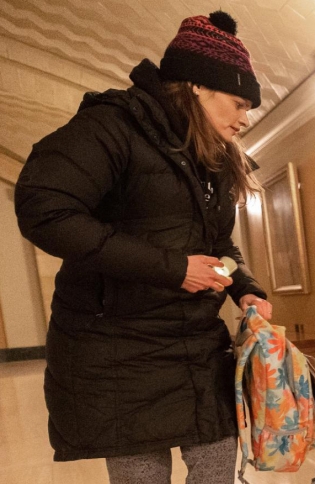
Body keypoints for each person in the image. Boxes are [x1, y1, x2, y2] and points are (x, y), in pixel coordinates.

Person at [14, 11, 274, 484]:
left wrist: (245, 289)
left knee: (218, 470)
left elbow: (216, 242)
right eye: (238, 103)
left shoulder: (210, 157)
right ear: (197, 86)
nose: (244, 118)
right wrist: (172, 269)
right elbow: (43, 208)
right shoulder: (114, 127)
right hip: (119, 353)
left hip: (196, 346)